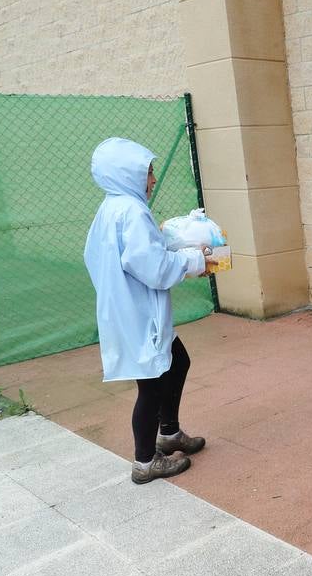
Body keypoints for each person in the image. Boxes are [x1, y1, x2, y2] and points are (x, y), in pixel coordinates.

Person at [83, 137, 216, 485]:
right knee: (152, 384)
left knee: (177, 362)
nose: (153, 180)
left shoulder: (112, 207)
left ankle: (169, 434)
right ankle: (145, 462)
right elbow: (154, 268)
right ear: (127, 174)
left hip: (127, 309)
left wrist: (175, 247)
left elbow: (112, 256)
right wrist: (195, 259)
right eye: (149, 172)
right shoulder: (131, 210)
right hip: (141, 314)